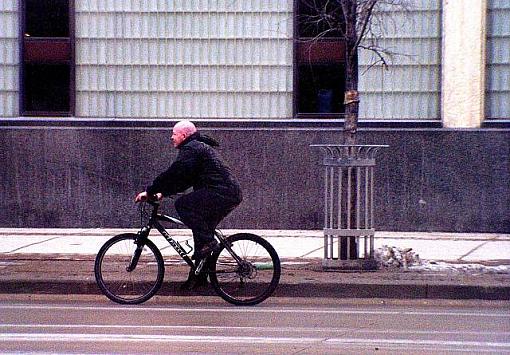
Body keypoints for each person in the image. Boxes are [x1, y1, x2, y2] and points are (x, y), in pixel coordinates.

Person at [135, 120, 242, 287]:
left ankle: (208, 242)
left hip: (222, 193)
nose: (171, 137)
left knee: (183, 205)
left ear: (183, 135)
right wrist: (163, 193)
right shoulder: (195, 147)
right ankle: (199, 278)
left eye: (174, 134)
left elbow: (173, 173)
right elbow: (185, 179)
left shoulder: (191, 148)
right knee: (201, 231)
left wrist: (149, 192)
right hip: (227, 193)